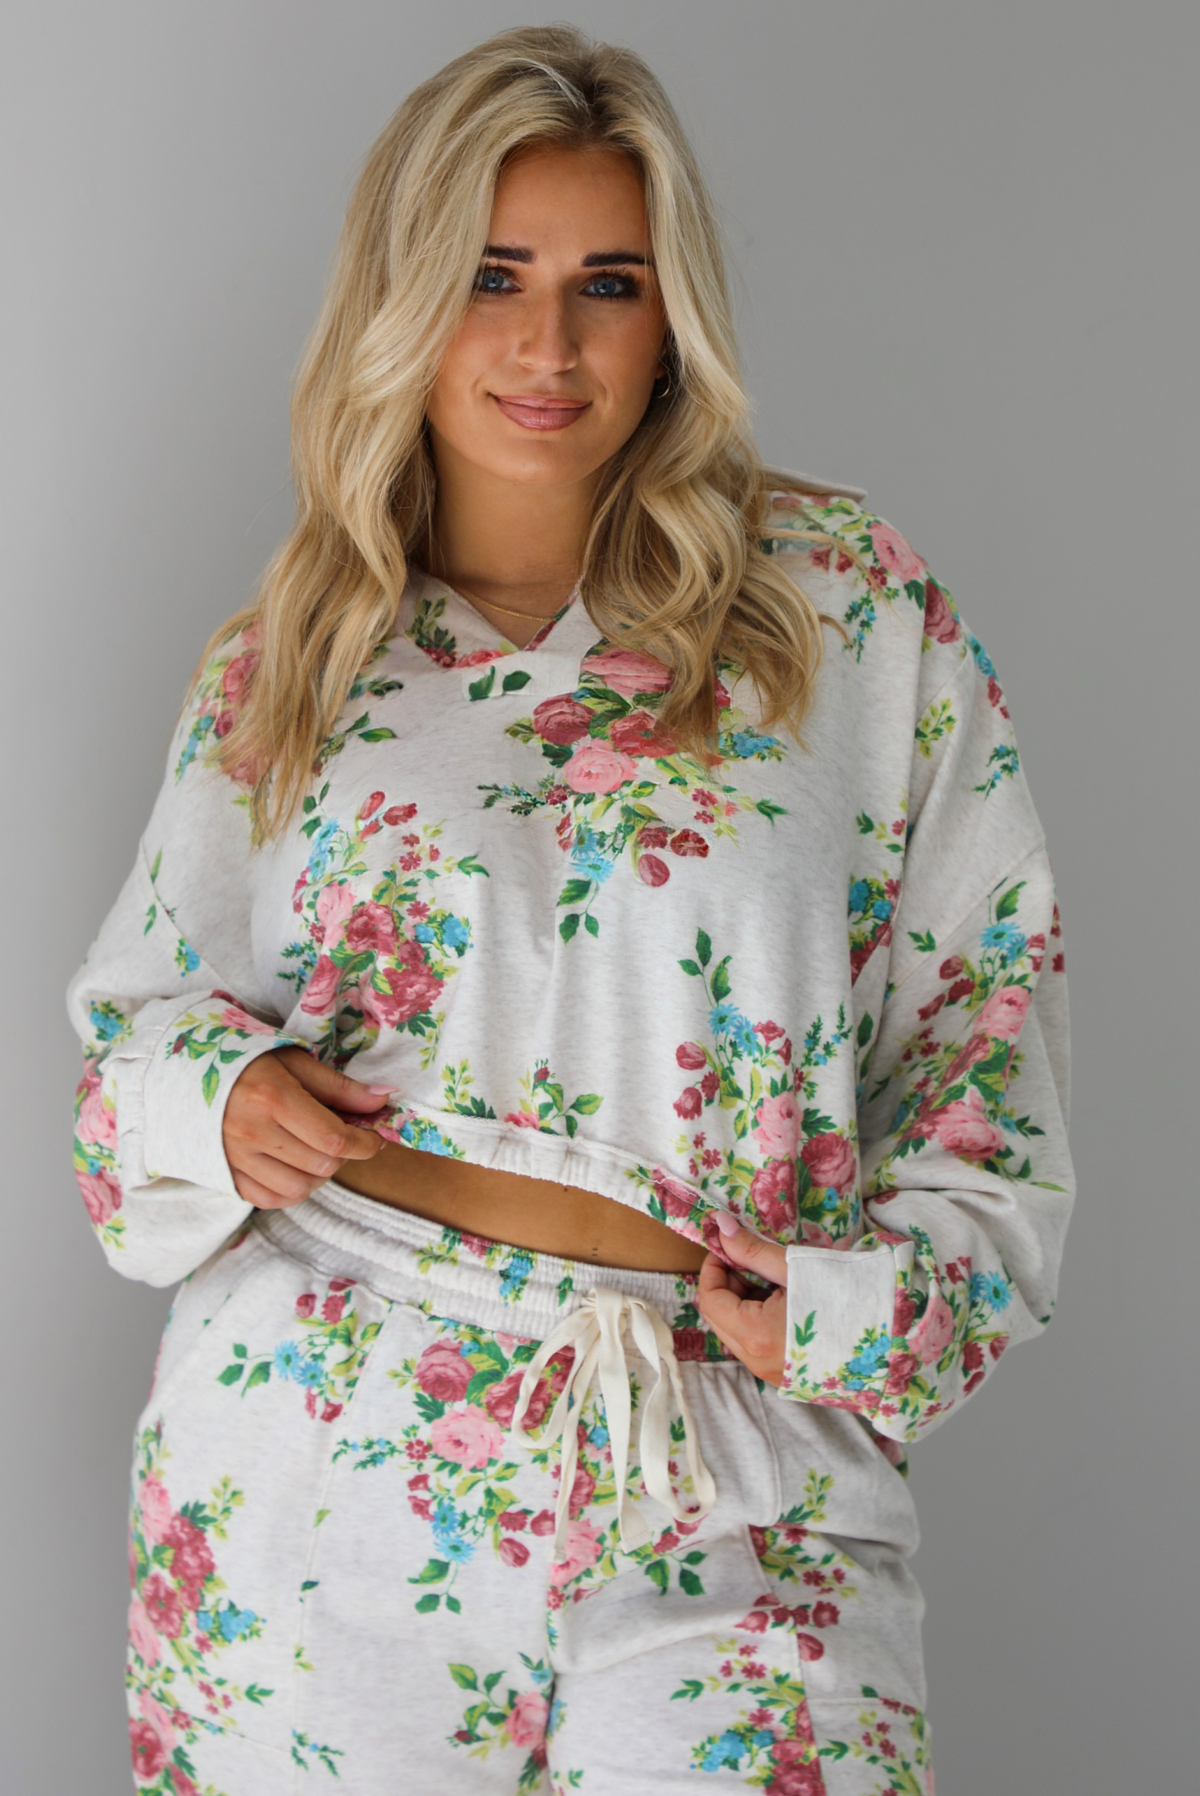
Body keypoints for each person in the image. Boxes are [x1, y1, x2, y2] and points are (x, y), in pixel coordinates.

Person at [67, 25, 1074, 1796]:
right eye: (488, 276)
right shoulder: (291, 665)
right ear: (403, 299)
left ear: (670, 313)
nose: (548, 345)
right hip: (323, 1457)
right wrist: (215, 1102)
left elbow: (988, 1043)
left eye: (607, 283)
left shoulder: (844, 612)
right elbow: (123, 1066)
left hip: (730, 1455)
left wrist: (868, 1307)